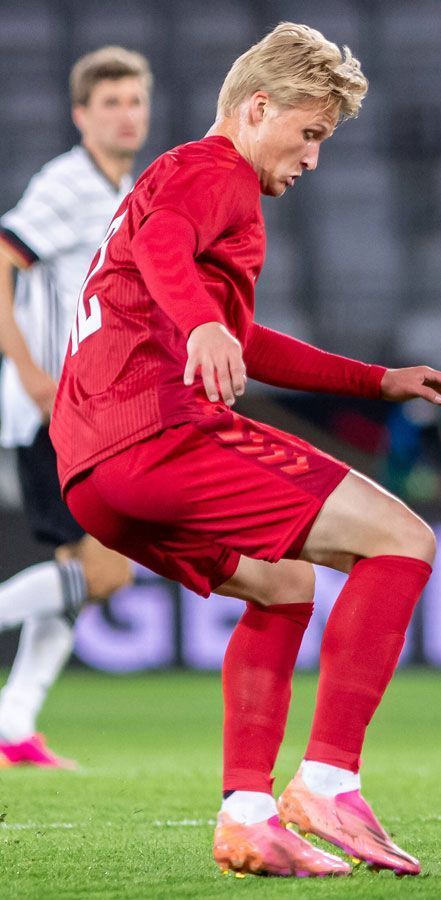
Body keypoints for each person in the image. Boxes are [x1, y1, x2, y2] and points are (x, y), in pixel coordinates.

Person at [52, 24, 441, 877]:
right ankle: (327, 781)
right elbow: (162, 250)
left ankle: (247, 814)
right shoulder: (216, 173)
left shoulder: (179, 181)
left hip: (90, 469)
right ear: (257, 108)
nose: (315, 156)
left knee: (282, 584)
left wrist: (375, 381)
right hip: (156, 432)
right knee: (404, 541)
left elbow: (243, 339)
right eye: (311, 131)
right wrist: (202, 324)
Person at [0, 47, 148, 769]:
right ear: (81, 115)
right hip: (51, 410)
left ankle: (13, 724)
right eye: (111, 102)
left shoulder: (126, 191)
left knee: (79, 569)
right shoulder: (66, 184)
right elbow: (1, 257)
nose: (127, 114)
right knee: (107, 571)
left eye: (135, 100)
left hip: (90, 412)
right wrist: (28, 371)